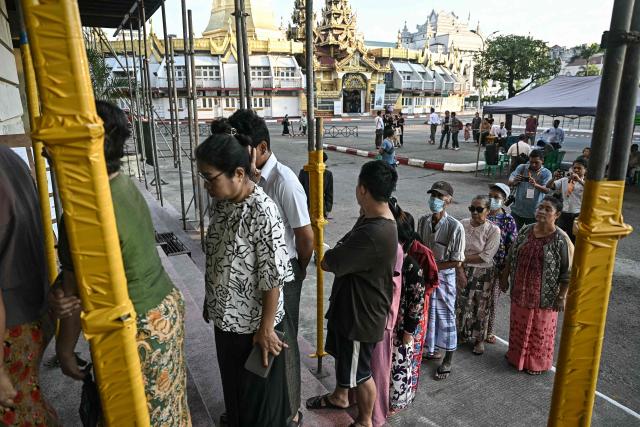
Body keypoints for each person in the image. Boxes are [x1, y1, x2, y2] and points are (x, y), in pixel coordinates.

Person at [55, 101, 190, 425]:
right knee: (167, 410)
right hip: (164, 312)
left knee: (133, 416)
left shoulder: (85, 209)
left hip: (137, 328)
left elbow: (75, 294)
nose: (49, 149)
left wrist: (64, 349)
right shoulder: (121, 183)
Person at [197, 132, 292, 426]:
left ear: (238, 174)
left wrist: (265, 329)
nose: (206, 185)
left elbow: (272, 277)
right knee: (236, 401)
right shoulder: (223, 203)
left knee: (260, 410)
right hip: (226, 323)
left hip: (254, 332)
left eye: (210, 177)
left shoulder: (263, 212)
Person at [226, 109, 314, 427]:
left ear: (262, 148)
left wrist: (298, 272)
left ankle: (290, 410)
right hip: (259, 274)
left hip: (284, 271)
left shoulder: (283, 182)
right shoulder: (245, 177)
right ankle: (265, 404)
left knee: (282, 341)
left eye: (242, 146)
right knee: (263, 341)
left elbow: (305, 236)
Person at [306, 161, 398, 427]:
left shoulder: (375, 232)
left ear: (362, 189)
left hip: (362, 318)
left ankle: (365, 421)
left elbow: (330, 261)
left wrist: (337, 250)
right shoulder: (373, 217)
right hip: (353, 309)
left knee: (361, 373)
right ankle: (339, 396)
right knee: (346, 360)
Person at [0, 145, 60, 426]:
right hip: (33, 305)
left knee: (20, 412)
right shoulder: (8, 156)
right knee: (29, 399)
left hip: (10, 327)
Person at [500, 196, 572, 375]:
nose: (542, 211)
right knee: (519, 323)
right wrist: (504, 277)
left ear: (557, 215)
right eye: (541, 207)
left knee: (539, 328)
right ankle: (515, 357)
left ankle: (536, 363)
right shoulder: (525, 230)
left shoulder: (561, 239)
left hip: (544, 297)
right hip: (520, 291)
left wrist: (562, 296)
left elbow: (568, 272)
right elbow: (511, 255)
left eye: (548, 209)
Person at [388, 200, 438, 412]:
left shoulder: (413, 263)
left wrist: (409, 328)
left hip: (408, 320)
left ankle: (399, 400)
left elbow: (420, 296)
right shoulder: (393, 258)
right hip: (395, 318)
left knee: (404, 360)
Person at [417, 181, 465, 381]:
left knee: (446, 317)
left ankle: (447, 360)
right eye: (433, 195)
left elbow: (456, 260)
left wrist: (432, 267)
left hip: (444, 277)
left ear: (448, 200)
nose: (435, 200)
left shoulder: (455, 226)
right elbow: (418, 247)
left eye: (440, 196)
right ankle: (431, 349)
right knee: (426, 314)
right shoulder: (423, 221)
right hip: (425, 275)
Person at [456, 196, 501, 355]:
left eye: (479, 209)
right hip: (462, 268)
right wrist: (460, 268)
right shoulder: (462, 224)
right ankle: (462, 334)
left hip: (483, 272)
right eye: (472, 209)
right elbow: (456, 248)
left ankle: (479, 340)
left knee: (480, 307)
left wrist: (461, 259)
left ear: (488, 211)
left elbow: (485, 256)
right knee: (462, 303)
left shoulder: (493, 230)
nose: (475, 212)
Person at [370, 241, 403, 427]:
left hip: (381, 318)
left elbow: (393, 286)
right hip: (372, 316)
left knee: (378, 369)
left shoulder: (392, 246)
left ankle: (377, 417)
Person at [485, 183, 518, 345]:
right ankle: (473, 329)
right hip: (479, 266)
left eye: (496, 198)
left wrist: (506, 271)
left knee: (492, 301)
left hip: (497, 267)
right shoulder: (481, 213)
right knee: (476, 298)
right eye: (490, 196)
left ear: (504, 200)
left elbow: (512, 247)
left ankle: (488, 331)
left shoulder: (508, 220)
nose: (492, 200)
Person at [508, 151, 553, 229]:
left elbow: (547, 190)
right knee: (511, 235)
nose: (533, 165)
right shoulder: (522, 167)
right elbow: (509, 182)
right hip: (517, 210)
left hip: (534, 213)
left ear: (542, 161)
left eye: (536, 162)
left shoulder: (546, 173)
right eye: (531, 162)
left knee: (533, 237)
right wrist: (514, 181)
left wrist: (535, 185)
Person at [547, 159, 587, 243]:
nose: (576, 170)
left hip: (577, 215)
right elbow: (549, 186)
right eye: (574, 168)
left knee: (573, 239)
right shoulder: (565, 180)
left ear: (585, 170)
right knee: (558, 237)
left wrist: (579, 180)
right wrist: (554, 177)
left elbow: (591, 190)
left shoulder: (586, 182)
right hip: (564, 213)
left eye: (579, 168)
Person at [298, 152, 334, 219]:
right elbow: (298, 192)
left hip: (320, 210)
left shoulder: (328, 174)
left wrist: (327, 209)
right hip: (305, 209)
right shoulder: (304, 173)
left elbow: (329, 194)